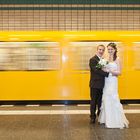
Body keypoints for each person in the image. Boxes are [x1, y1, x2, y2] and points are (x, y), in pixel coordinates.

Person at [98, 42, 129, 128]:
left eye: (111, 49)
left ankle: (115, 120)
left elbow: (119, 72)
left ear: (115, 50)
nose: (110, 51)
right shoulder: (105, 58)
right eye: (108, 49)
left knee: (113, 98)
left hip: (113, 81)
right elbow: (102, 68)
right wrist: (104, 69)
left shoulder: (118, 59)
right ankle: (107, 119)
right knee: (106, 98)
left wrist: (110, 71)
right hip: (106, 81)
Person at [89, 45, 109, 123]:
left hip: (102, 84)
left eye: (103, 50)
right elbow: (96, 70)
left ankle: (99, 116)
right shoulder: (92, 60)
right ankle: (92, 117)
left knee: (100, 101)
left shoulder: (104, 60)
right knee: (93, 101)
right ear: (97, 50)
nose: (101, 51)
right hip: (94, 84)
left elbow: (104, 68)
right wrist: (107, 74)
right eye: (100, 49)